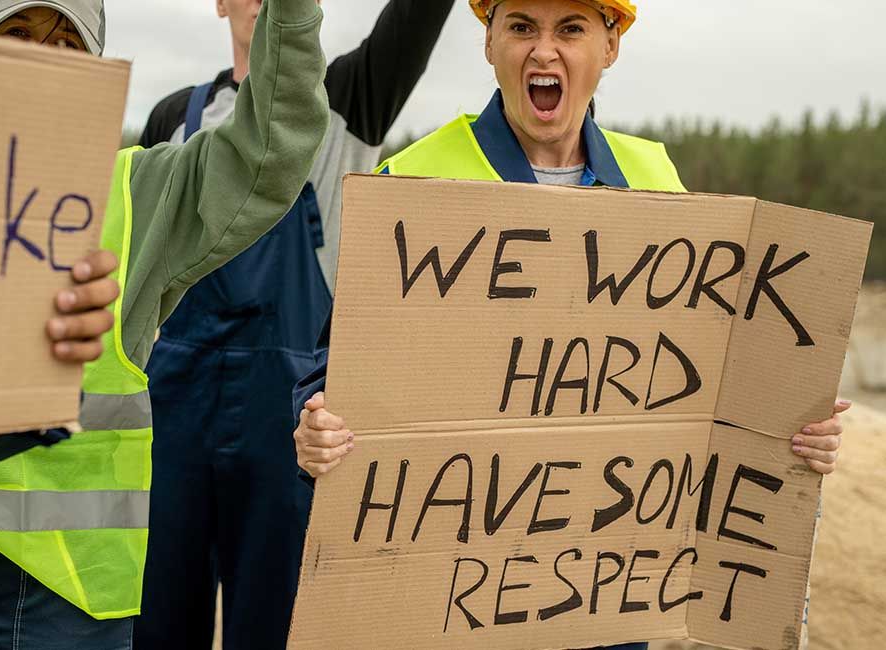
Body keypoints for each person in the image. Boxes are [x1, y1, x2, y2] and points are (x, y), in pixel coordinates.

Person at [291, 1, 848, 649]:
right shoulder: (411, 180)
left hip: (604, 592)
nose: (543, 50)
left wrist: (791, 432)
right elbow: (331, 371)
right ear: (489, 43)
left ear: (610, 47)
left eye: (571, 29)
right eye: (521, 27)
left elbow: (708, 378)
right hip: (452, 603)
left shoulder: (656, 183)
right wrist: (315, 426)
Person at [0, 0, 330, 648]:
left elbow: (269, 148)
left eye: (67, 43)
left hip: (56, 599)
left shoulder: (138, 194)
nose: (41, 55)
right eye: (19, 33)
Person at [136, 1, 457, 647]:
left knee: (277, 623)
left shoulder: (350, 99)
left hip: (291, 420)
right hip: (172, 411)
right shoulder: (174, 117)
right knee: (156, 616)